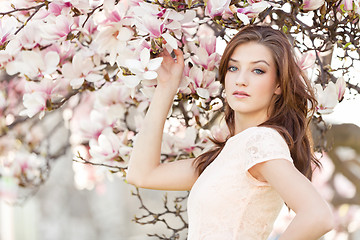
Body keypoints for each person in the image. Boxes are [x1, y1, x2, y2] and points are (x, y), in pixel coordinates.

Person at [126, 25, 334, 240]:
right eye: (233, 68)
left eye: (258, 70)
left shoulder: (260, 142)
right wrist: (167, 86)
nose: (241, 79)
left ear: (278, 84)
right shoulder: (230, 153)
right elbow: (141, 174)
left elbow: (318, 215)